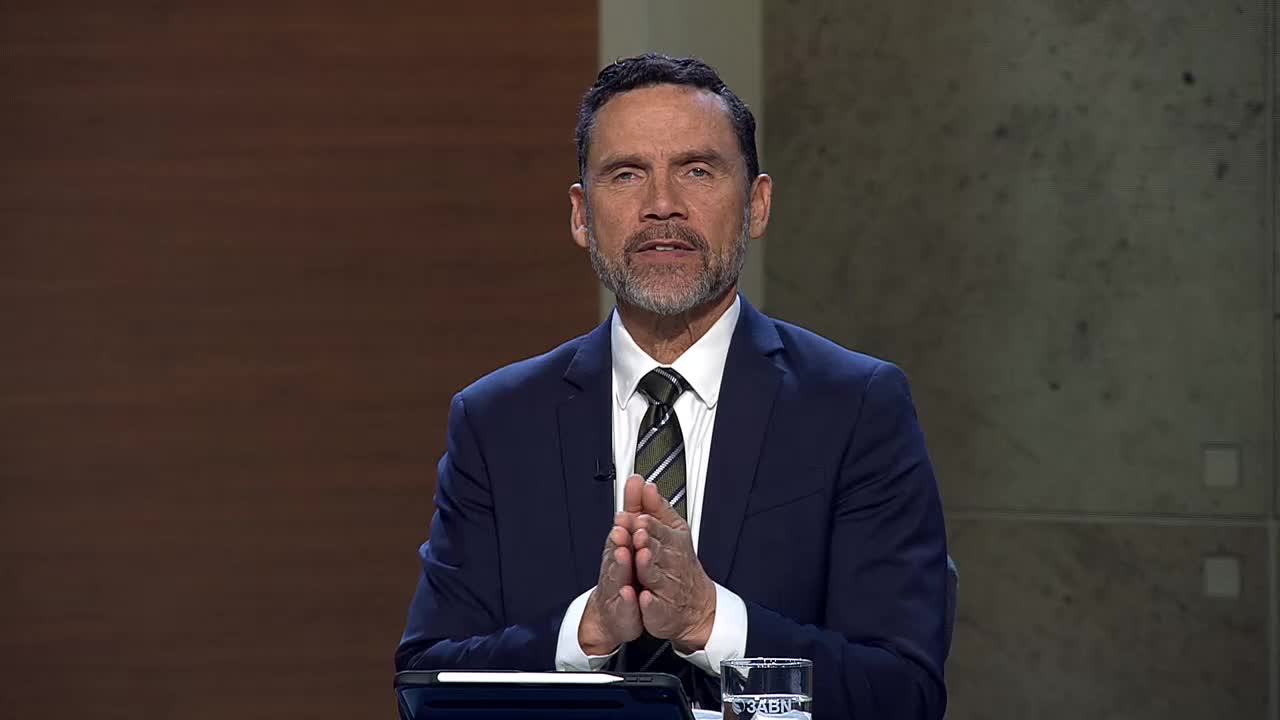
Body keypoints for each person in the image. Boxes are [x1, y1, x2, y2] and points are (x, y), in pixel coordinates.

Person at [396, 53, 950, 718]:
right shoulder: (498, 422)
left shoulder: (856, 409)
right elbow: (427, 687)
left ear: (756, 204)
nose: (662, 206)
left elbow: (903, 695)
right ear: (580, 214)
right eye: (627, 174)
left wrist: (710, 622)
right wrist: (585, 634)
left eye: (697, 170)